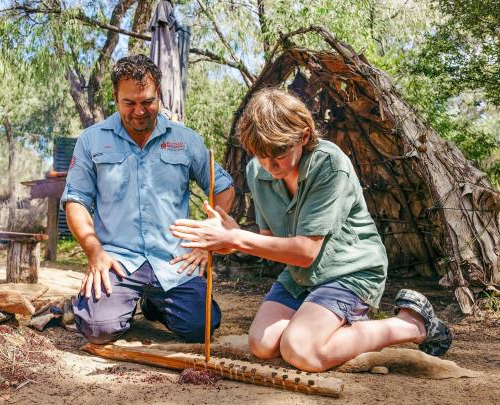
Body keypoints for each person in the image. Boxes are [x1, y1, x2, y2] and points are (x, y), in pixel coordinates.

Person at [170, 88, 452, 371]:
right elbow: (269, 239)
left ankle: (411, 324)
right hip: (301, 276)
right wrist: (229, 243)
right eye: (260, 155)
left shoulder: (328, 164)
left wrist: (237, 237)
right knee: (262, 344)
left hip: (349, 271)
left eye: (279, 153)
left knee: (301, 351)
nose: (269, 166)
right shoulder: (258, 170)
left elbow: (305, 251)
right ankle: (333, 323)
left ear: (303, 137)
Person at [61, 54, 235, 344]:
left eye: (148, 102)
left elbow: (224, 188)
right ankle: (110, 304)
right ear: (115, 97)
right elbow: (76, 201)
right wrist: (94, 251)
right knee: (98, 330)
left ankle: (154, 304)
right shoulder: (91, 141)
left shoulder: (186, 140)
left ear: (159, 97)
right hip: (117, 260)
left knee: (200, 328)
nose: (139, 111)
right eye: (129, 103)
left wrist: (207, 242)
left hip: (174, 261)